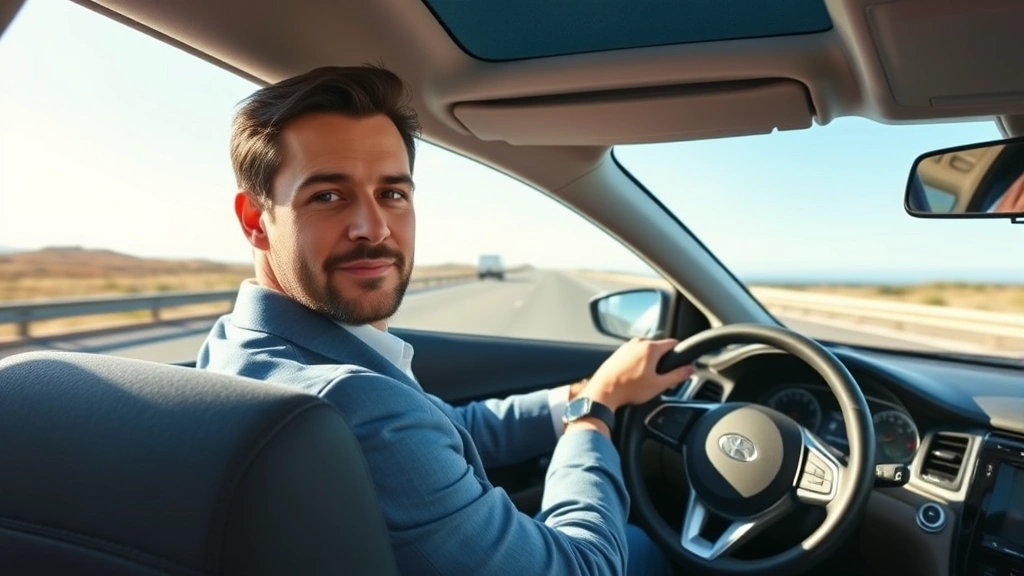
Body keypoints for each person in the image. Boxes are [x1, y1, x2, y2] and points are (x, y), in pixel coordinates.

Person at [197, 64, 694, 576]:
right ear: (256, 220)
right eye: (328, 196)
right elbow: (584, 568)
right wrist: (593, 416)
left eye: (392, 193)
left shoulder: (236, 343)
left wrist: (581, 393)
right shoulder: (352, 401)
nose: (373, 228)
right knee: (641, 548)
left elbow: (444, 425)